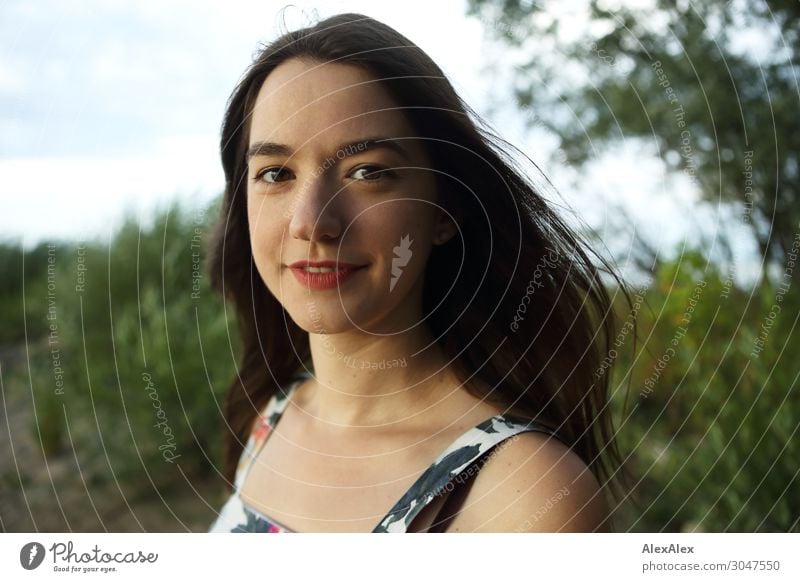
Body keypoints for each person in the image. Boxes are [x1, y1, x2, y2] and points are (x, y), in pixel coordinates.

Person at [206, 12, 633, 533]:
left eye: (368, 172)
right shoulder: (272, 415)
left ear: (444, 210)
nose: (312, 223)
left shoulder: (521, 494)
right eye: (276, 173)